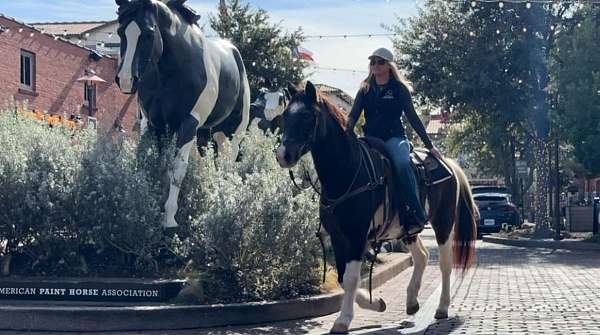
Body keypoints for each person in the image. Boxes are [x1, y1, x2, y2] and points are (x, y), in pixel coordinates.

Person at [347, 47, 442, 237]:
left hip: (394, 138)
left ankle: (416, 213)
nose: (375, 65)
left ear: (389, 66)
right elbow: (353, 117)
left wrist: (430, 145)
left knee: (401, 163)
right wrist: (344, 136)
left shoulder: (399, 89)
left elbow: (413, 118)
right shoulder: (365, 89)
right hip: (370, 139)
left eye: (380, 62)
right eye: (373, 61)